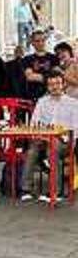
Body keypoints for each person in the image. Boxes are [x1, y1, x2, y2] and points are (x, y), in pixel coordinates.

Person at [20, 70, 78, 203]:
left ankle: (55, 192)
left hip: (64, 141)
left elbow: (76, 128)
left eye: (57, 83)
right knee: (32, 151)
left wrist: (70, 145)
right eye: (51, 84)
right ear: (47, 86)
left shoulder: (73, 103)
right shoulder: (42, 102)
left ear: (63, 84)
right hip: (43, 138)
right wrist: (41, 135)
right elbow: (34, 123)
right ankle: (26, 189)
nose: (55, 87)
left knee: (52, 149)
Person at [20, 30, 59, 101]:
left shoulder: (54, 58)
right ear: (32, 43)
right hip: (34, 95)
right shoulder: (27, 59)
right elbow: (30, 77)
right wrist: (49, 78)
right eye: (37, 41)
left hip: (52, 95)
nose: (40, 43)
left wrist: (40, 77)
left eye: (43, 40)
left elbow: (57, 75)